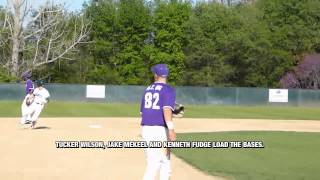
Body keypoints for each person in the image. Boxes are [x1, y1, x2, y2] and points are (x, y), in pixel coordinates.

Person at [140, 64, 176, 180]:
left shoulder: (148, 89)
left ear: (156, 75)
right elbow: (166, 109)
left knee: (154, 163)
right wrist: (171, 128)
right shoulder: (168, 89)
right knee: (164, 162)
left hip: (146, 129)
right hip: (160, 131)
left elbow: (143, 112)